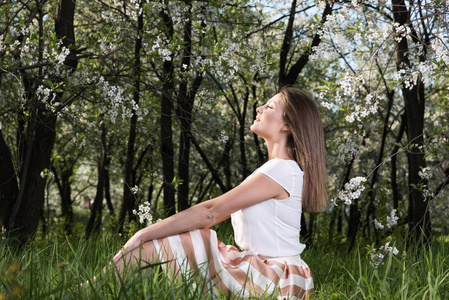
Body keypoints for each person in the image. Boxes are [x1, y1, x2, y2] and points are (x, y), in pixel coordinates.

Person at [111, 87, 327, 299]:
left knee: (190, 240)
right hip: (272, 272)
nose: (259, 109)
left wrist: (143, 234)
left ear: (287, 124)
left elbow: (211, 213)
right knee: (188, 239)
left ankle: (91, 289)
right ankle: (96, 287)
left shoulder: (281, 169)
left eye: (269, 106)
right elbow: (211, 217)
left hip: (275, 276)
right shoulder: (278, 170)